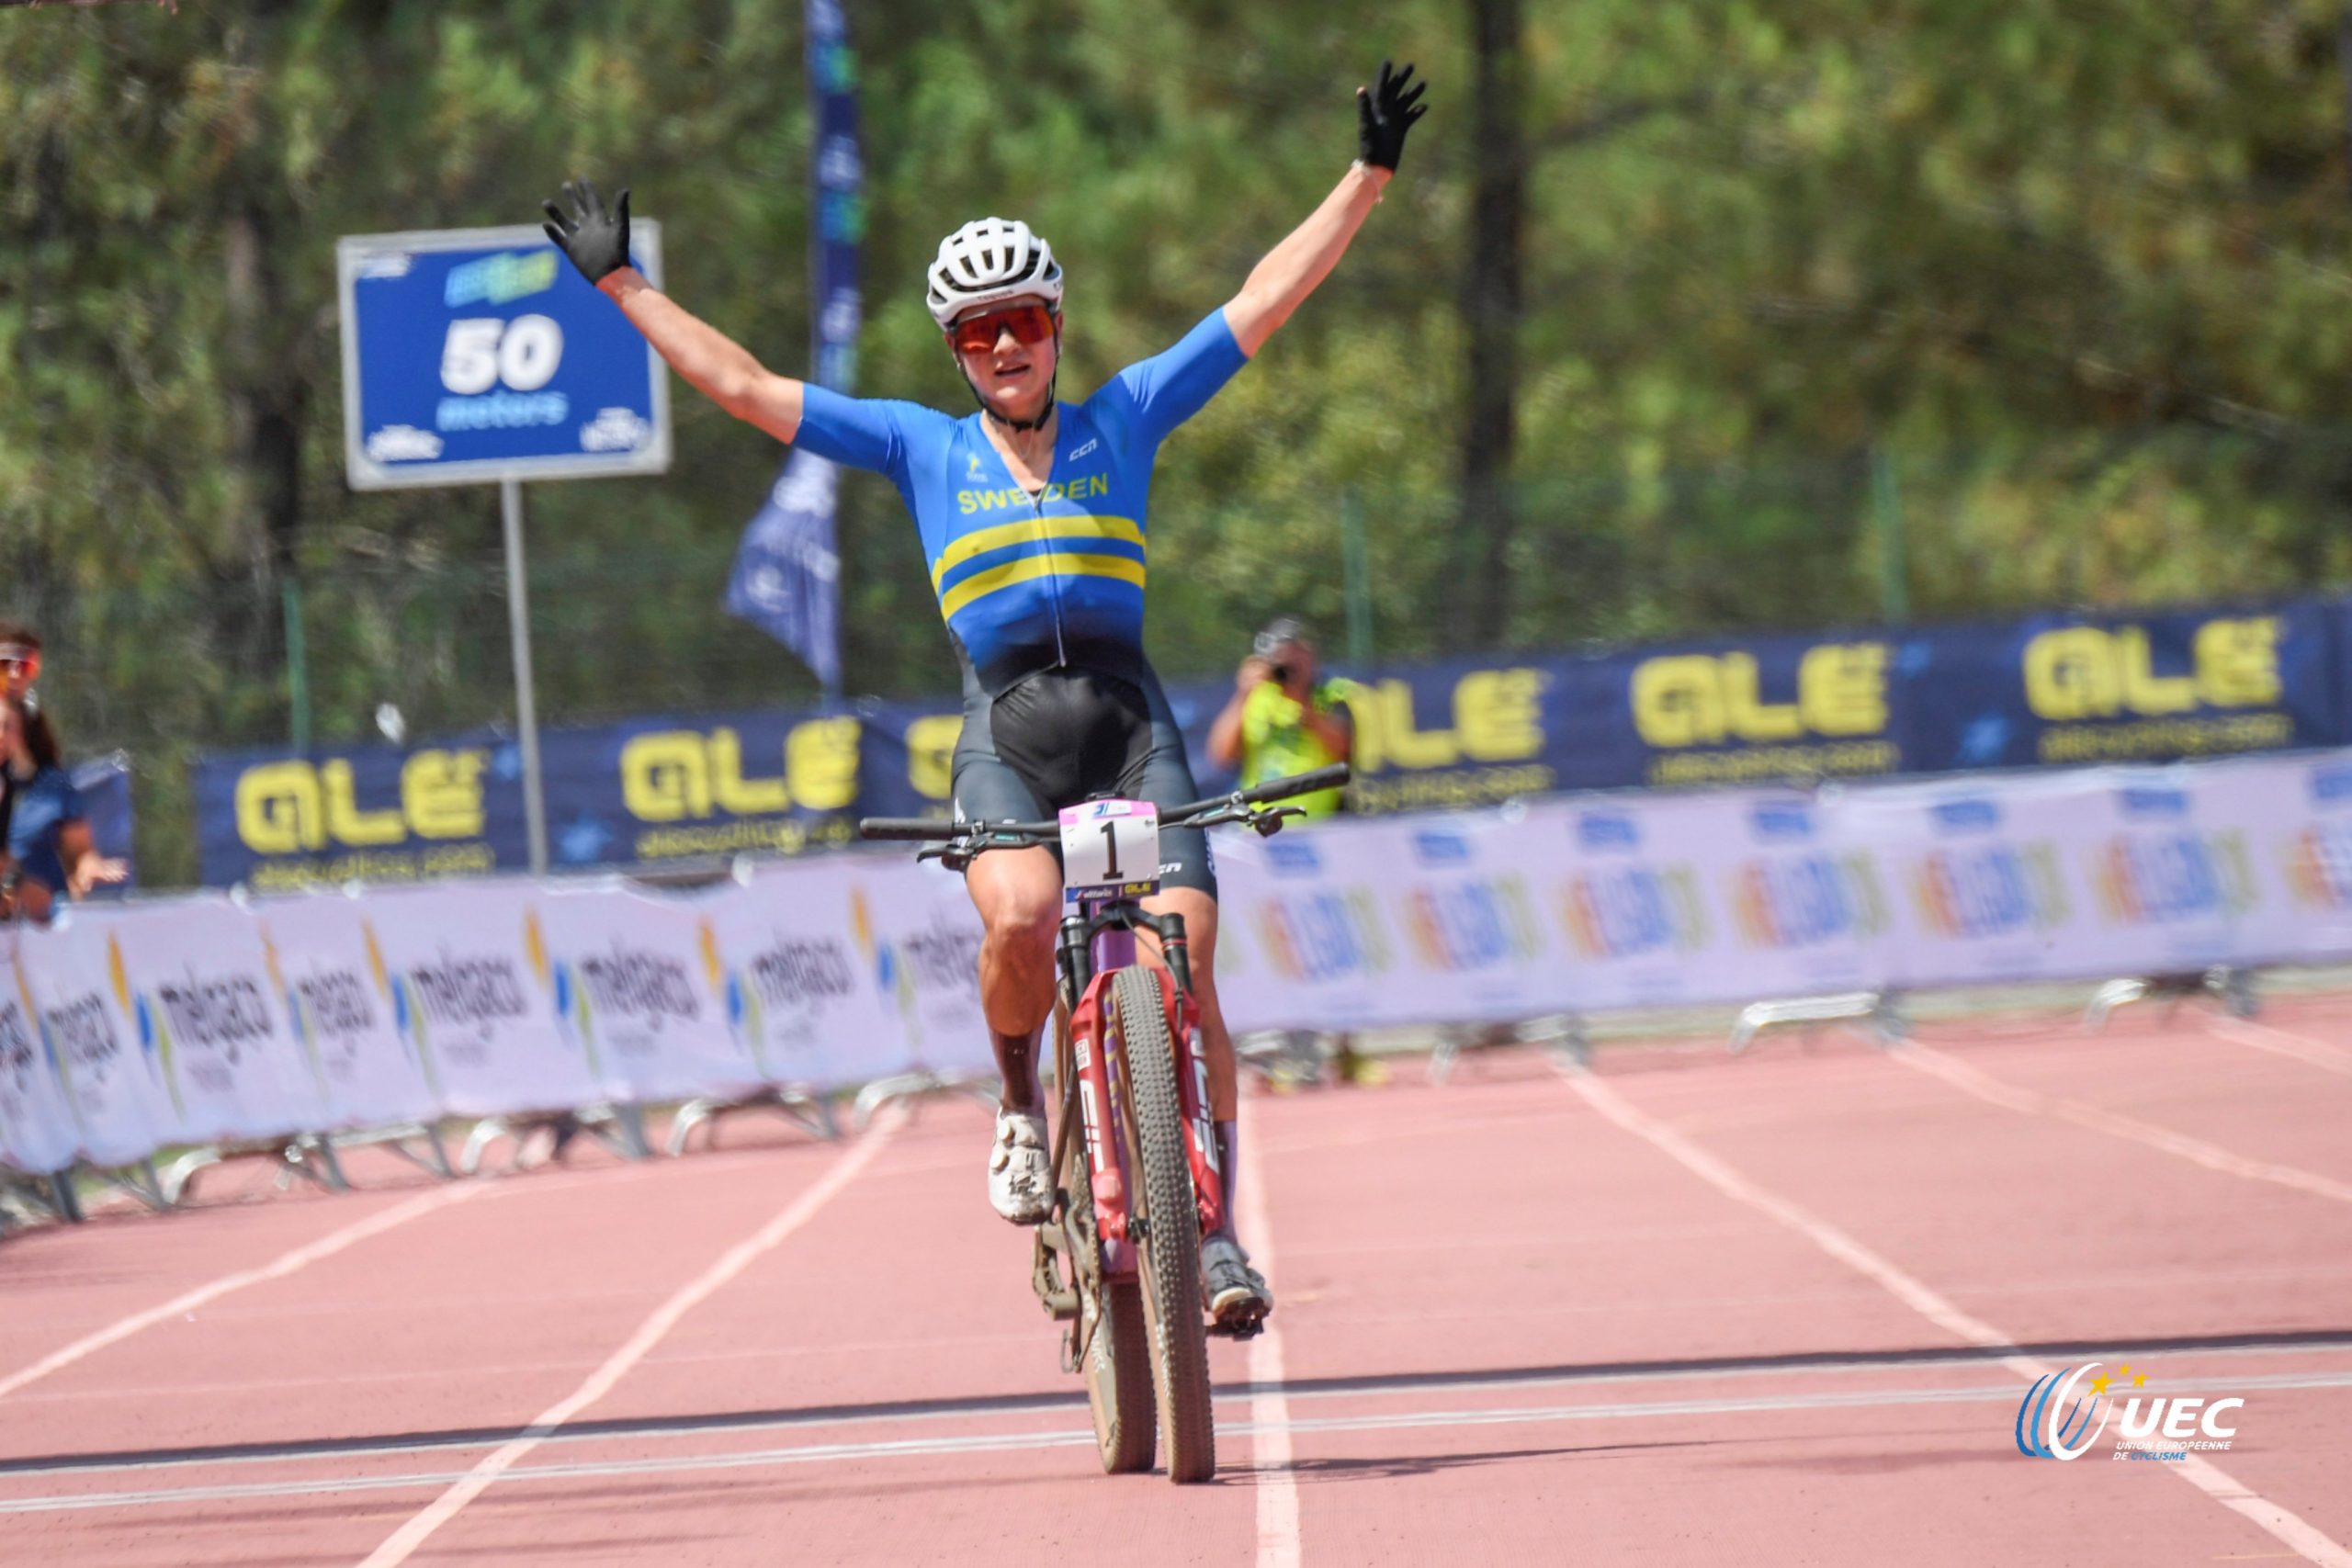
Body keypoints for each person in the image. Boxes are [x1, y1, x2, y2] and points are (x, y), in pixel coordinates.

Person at [541, 61, 1427, 1326]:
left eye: (1020, 321)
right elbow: (743, 386)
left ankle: (1216, 1230)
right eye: (975, 332)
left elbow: (1260, 301)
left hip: (1131, 729)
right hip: (1006, 731)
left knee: (1191, 954)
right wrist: (621, 283)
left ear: (1056, 324)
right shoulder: (918, 444)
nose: (1003, 346)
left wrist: (1369, 174)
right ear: (954, 353)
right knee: (1016, 917)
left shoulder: (1126, 415)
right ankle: (1019, 1107)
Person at [1205, 616, 1354, 818]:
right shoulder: (1257, 697)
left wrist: (1302, 703)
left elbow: (1344, 751)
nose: (1288, 668)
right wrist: (1243, 694)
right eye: (1282, 659)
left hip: (1318, 825)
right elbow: (1221, 756)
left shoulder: (1330, 695)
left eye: (1298, 654)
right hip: (1258, 823)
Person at [0, 697, 125, 916]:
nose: (1, 736)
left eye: (8, 727)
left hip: (47, 919)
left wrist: (88, 867)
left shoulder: (52, 785)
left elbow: (80, 852)